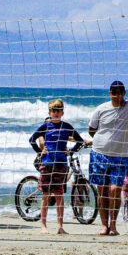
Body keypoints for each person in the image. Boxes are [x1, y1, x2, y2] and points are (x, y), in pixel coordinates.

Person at [88, 81, 128, 236]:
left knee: (115, 190)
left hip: (120, 156)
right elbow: (92, 130)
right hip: (99, 154)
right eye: (114, 93)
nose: (117, 95)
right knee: (102, 191)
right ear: (110, 93)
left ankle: (113, 225)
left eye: (120, 92)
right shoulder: (101, 109)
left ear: (124, 93)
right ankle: (104, 226)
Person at [29, 99, 85, 235]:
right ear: (50, 112)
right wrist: (39, 151)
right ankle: (43, 226)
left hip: (61, 165)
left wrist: (70, 151)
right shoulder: (45, 126)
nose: (56, 113)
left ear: (62, 113)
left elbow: (80, 141)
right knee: (46, 195)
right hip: (47, 164)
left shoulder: (66, 126)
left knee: (59, 196)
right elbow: (32, 139)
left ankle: (60, 226)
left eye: (58, 111)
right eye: (53, 111)